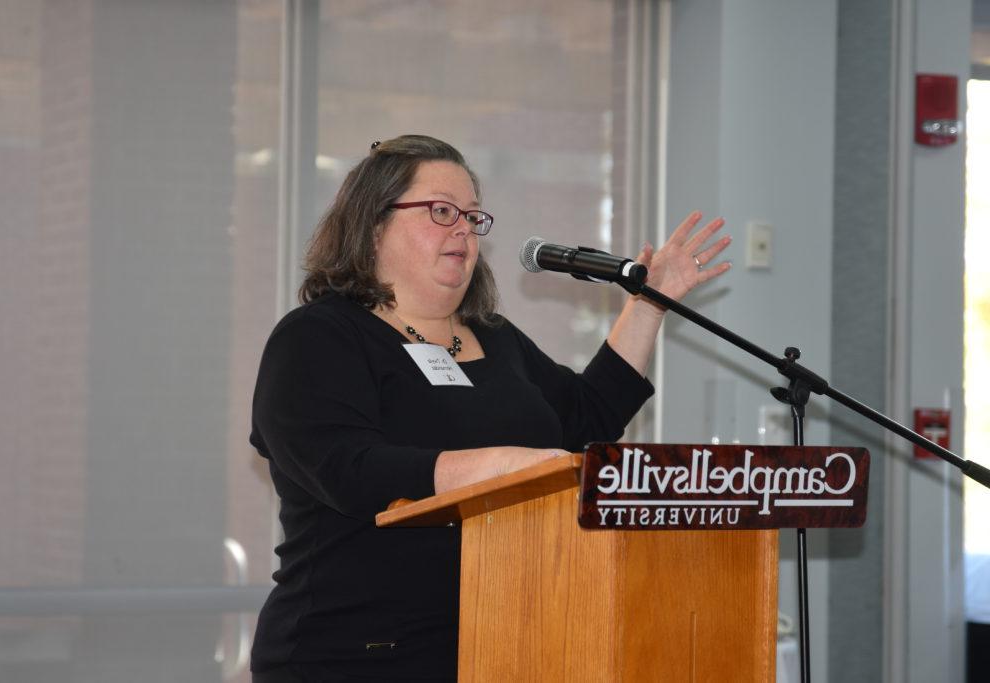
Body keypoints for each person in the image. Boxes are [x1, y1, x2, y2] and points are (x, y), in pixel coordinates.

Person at [248, 134, 730, 682]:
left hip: (502, 644)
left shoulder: (494, 338)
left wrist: (650, 302)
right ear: (373, 223)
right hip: (355, 652)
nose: (463, 228)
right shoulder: (318, 338)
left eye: (473, 217)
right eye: (441, 211)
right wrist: (501, 467)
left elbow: (587, 419)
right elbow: (349, 470)